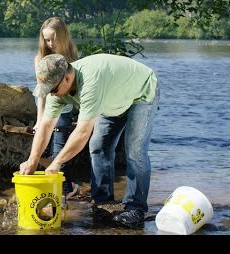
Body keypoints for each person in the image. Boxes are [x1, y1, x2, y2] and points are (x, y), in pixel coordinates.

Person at [19, 53, 160, 228]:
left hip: (141, 93)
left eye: (53, 90)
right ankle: (102, 202)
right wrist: (32, 161)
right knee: (98, 147)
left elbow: (83, 132)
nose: (52, 94)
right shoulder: (57, 92)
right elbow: (46, 126)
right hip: (111, 101)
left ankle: (135, 208)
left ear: (67, 78)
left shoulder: (90, 83)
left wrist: (57, 162)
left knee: (135, 151)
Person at [33, 17, 80, 200]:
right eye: (46, 39)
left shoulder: (72, 56)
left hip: (65, 111)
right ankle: (67, 185)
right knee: (42, 153)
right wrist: (39, 120)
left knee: (61, 154)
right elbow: (42, 93)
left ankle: (64, 192)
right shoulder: (40, 59)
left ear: (62, 36)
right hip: (47, 112)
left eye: (53, 38)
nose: (50, 43)